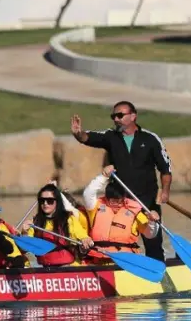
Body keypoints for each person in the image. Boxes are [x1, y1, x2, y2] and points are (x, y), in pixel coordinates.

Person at [70, 101, 172, 260]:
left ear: (133, 116)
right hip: (119, 201)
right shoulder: (111, 136)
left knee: (153, 243)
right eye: (113, 116)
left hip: (147, 199)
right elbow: (88, 137)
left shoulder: (151, 139)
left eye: (120, 115)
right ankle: (116, 267)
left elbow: (165, 169)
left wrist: (165, 192)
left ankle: (158, 269)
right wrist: (78, 133)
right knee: (117, 240)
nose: (116, 119)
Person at [80, 166, 161, 262]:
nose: (117, 204)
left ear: (124, 198)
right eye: (113, 201)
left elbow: (150, 234)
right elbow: (88, 193)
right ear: (106, 198)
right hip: (98, 257)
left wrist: (152, 222)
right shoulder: (95, 206)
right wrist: (103, 176)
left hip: (126, 260)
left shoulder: (134, 211)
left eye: (119, 201)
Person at [19, 184, 91, 267]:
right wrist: (24, 233)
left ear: (57, 202)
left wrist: (85, 240)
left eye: (50, 201)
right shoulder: (35, 222)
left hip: (68, 266)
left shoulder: (69, 220)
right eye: (42, 200)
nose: (45, 203)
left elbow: (82, 235)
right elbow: (25, 249)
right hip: (46, 268)